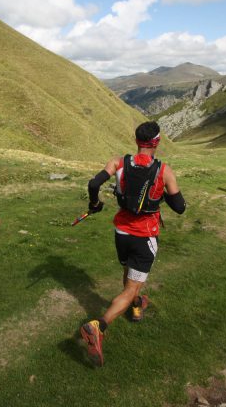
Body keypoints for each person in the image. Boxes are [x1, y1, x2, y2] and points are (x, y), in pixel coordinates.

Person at [79, 121, 185, 366]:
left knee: (128, 272)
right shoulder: (164, 171)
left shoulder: (118, 162)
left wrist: (94, 204)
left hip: (121, 232)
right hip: (145, 235)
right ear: (156, 142)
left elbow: (94, 184)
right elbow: (179, 207)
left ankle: (136, 305)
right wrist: (162, 196)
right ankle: (99, 326)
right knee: (131, 286)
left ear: (137, 140)